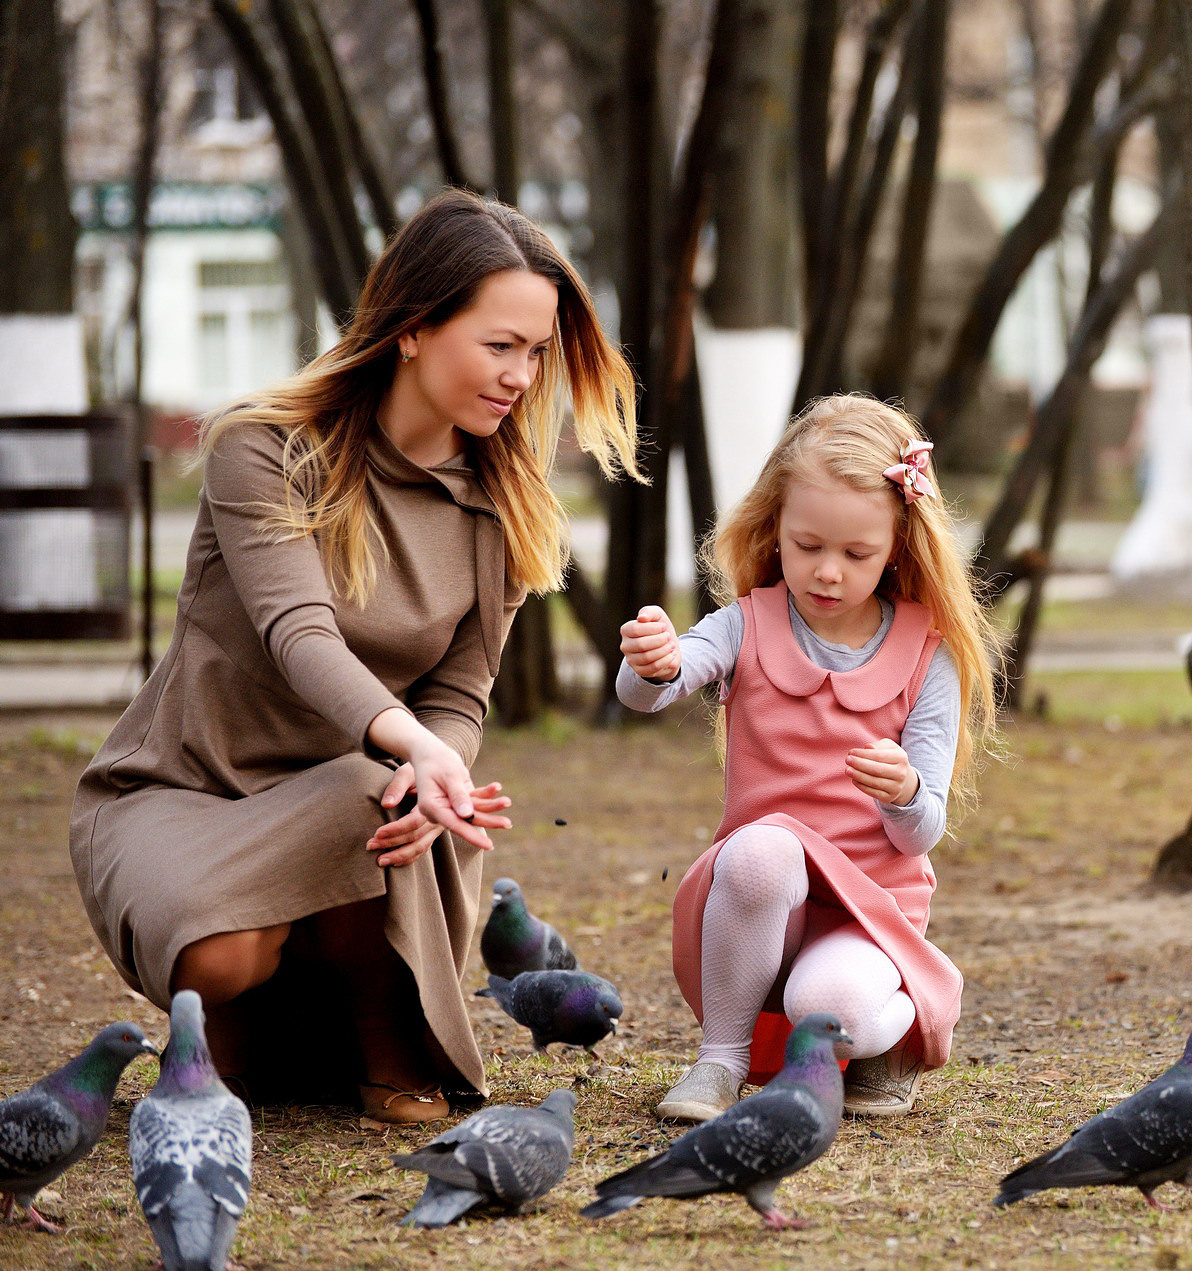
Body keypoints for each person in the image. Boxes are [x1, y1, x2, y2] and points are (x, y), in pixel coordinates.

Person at [70, 190, 639, 1124]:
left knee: (367, 788)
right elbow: (301, 634)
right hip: (185, 786)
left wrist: (433, 760)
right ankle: (255, 1021)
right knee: (220, 958)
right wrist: (415, 747)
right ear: (413, 328)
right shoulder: (264, 448)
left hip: (362, 795)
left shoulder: (503, 502)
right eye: (500, 345)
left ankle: (383, 1041)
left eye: (537, 353)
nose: (522, 376)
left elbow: (462, 688)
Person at [617, 394, 1002, 1120]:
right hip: (757, 899)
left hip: (869, 909)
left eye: (856, 553)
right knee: (764, 846)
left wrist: (906, 790)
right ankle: (720, 1061)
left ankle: (900, 1033)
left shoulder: (928, 651)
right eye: (807, 545)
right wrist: (655, 661)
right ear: (775, 530)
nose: (827, 571)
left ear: (898, 545)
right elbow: (651, 693)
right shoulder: (746, 625)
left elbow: (920, 833)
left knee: (828, 1009)